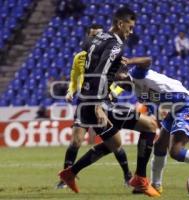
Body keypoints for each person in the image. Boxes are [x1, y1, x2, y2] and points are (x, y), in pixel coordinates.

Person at [58, 7, 160, 197]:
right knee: (150, 126)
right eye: (129, 28)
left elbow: (95, 68)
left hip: (88, 100)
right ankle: (140, 180)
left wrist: (117, 75)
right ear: (120, 24)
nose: (131, 32)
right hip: (97, 103)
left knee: (115, 142)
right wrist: (98, 105)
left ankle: (70, 173)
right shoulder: (115, 45)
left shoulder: (97, 38)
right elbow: (101, 72)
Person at [118, 56, 189, 194]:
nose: (118, 85)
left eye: (117, 80)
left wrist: (129, 61)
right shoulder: (137, 91)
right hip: (174, 110)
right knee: (159, 145)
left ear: (123, 73)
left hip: (188, 106)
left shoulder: (136, 74)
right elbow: (154, 107)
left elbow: (147, 60)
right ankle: (156, 185)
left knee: (175, 152)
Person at [56, 26, 132, 189]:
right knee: (75, 141)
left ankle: (128, 175)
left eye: (99, 35)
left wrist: (113, 93)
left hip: (101, 100)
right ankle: (65, 178)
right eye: (94, 35)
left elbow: (118, 80)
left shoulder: (111, 54)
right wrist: (71, 91)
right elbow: (75, 78)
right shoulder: (79, 58)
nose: (98, 38)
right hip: (84, 100)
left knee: (114, 143)